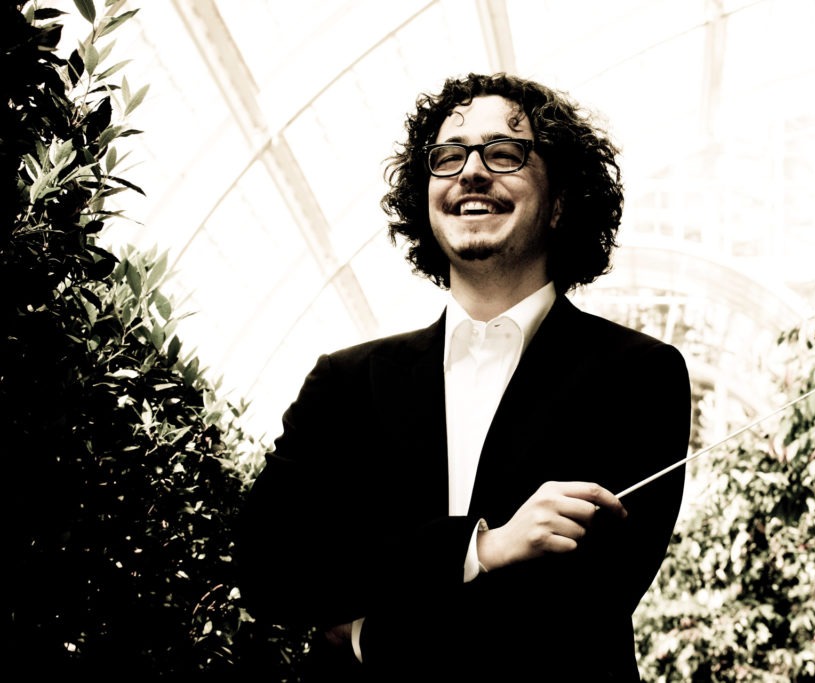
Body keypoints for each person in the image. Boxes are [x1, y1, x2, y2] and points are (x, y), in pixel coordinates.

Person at [238, 72, 691, 682]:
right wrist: (483, 549)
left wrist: (365, 635)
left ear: (561, 200)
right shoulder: (344, 382)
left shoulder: (638, 377)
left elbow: (576, 612)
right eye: (448, 156)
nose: (471, 172)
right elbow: (270, 572)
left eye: (505, 153)